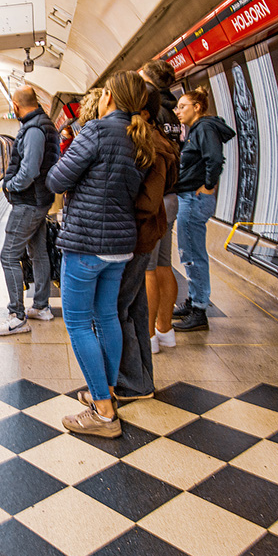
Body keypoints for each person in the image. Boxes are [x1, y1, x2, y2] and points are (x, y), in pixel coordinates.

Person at [46, 71, 148, 438]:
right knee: (107, 318)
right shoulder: (139, 136)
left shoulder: (97, 130)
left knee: (77, 324)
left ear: (109, 97)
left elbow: (57, 179)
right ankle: (105, 392)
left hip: (88, 243)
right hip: (121, 245)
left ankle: (103, 412)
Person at [114, 87, 179, 400]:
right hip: (142, 235)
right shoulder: (153, 140)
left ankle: (131, 382)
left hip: (139, 235)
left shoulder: (150, 144)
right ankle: (140, 380)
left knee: (119, 309)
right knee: (135, 309)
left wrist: (116, 207)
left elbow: (149, 201)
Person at [0, 86, 61, 336]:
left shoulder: (32, 130)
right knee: (38, 252)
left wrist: (11, 186)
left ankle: (16, 316)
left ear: (16, 104)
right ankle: (41, 306)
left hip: (29, 202)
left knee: (8, 256)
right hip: (40, 200)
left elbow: (30, 170)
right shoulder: (44, 125)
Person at [172, 86, 235, 331]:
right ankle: (194, 300)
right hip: (189, 197)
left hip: (194, 198)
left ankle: (199, 309)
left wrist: (209, 185)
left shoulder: (205, 128)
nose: (178, 111)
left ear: (197, 108)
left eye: (183, 106)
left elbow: (214, 159)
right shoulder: (196, 130)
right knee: (189, 252)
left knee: (193, 254)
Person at [138, 60, 181, 352]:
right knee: (165, 264)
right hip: (172, 194)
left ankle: (149, 338)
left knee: (148, 270)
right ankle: (166, 330)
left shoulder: (151, 112)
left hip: (156, 195)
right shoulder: (174, 111)